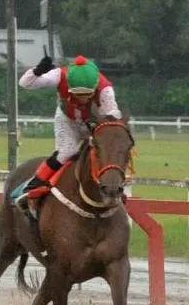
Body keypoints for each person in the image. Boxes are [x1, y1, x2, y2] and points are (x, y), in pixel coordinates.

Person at [15, 53, 121, 206]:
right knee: (66, 152)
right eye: (78, 95)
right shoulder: (60, 75)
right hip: (67, 120)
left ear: (95, 85)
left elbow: (112, 118)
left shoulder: (105, 90)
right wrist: (37, 71)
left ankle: (113, 187)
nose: (83, 99)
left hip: (94, 124)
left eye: (87, 94)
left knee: (106, 150)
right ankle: (32, 186)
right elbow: (24, 83)